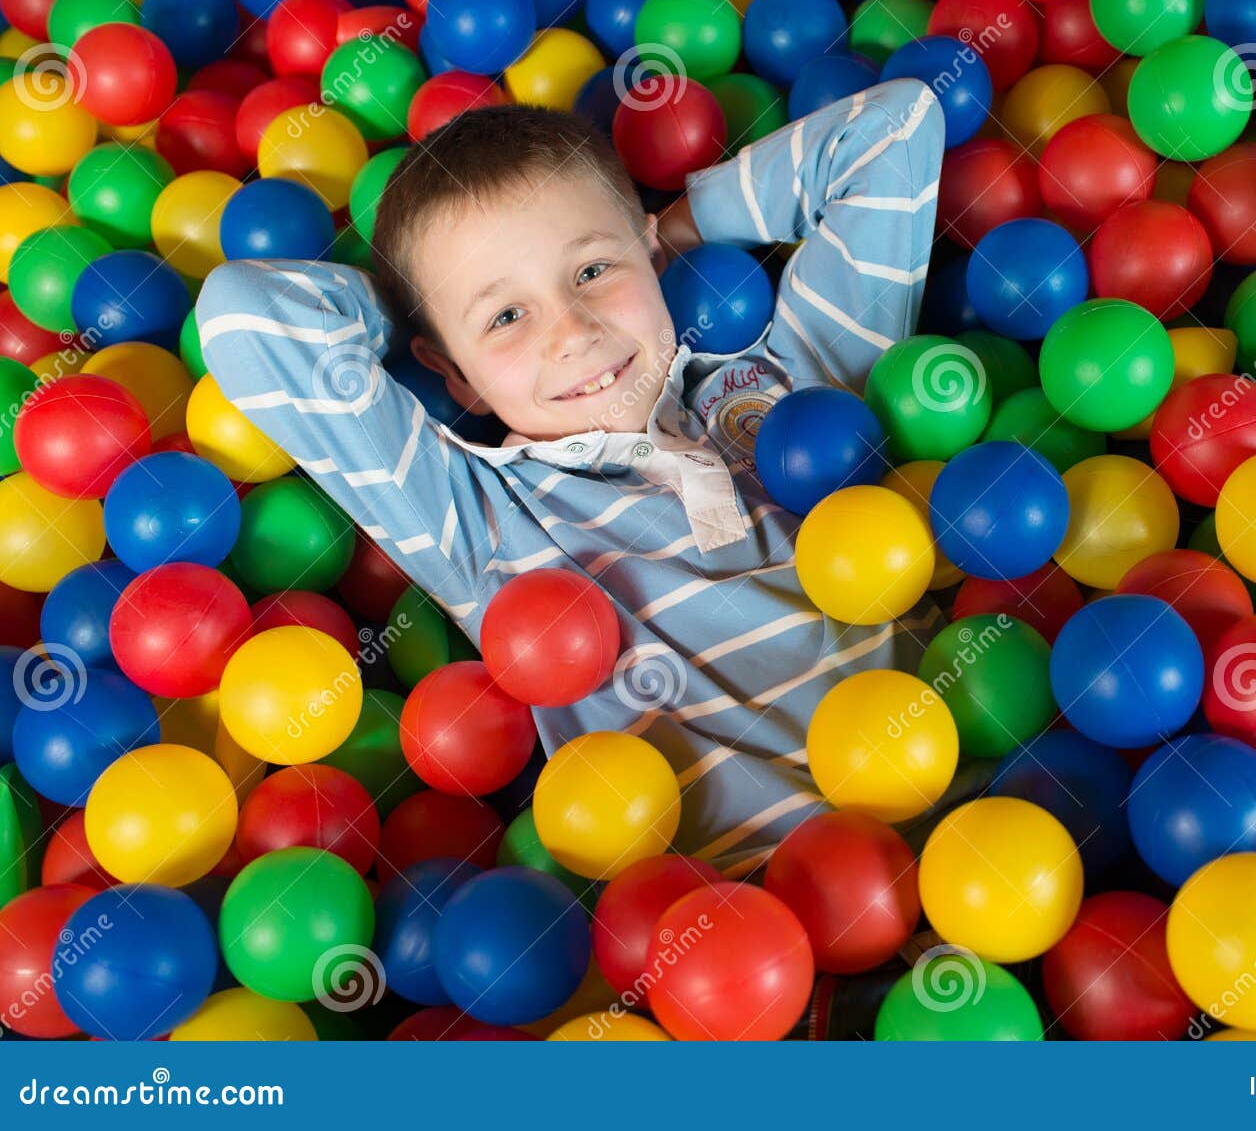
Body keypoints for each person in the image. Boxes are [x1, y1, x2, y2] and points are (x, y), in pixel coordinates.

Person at [196, 78, 973, 879]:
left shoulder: (799, 383)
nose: (571, 331)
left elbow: (894, 125)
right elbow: (241, 314)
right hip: (760, 923)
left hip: (989, 826)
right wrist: (412, 303)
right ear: (450, 374)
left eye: (595, 269)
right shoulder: (483, 522)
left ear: (647, 252)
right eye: (504, 317)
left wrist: (680, 224)